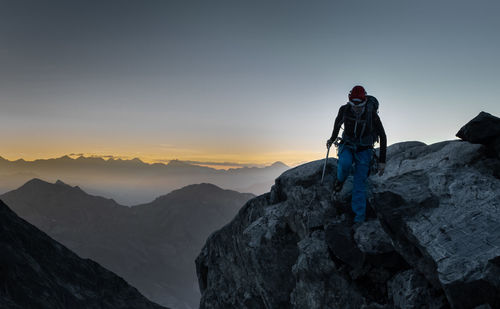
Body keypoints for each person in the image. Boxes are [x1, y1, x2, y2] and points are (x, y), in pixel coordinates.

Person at [326, 85, 387, 224]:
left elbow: (382, 135)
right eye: (353, 105)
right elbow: (336, 126)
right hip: (348, 144)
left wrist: (382, 161)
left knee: (359, 184)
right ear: (349, 101)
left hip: (364, 149)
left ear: (365, 102)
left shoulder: (371, 114)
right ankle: (340, 181)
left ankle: (359, 218)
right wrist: (332, 139)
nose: (356, 108)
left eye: (359, 105)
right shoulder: (344, 110)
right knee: (345, 164)